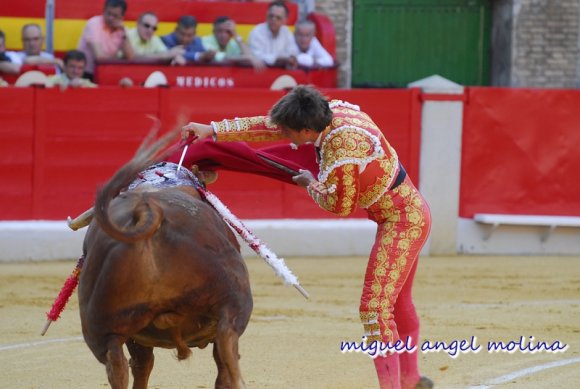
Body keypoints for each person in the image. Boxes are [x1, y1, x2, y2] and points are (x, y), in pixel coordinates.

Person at [181, 85, 434, 389]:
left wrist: (310, 184)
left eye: (290, 132)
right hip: (401, 211)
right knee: (397, 302)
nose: (286, 137)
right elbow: (270, 125)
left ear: (305, 130)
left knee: (375, 308)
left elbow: (340, 205)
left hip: (403, 219)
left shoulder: (343, 148)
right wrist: (212, 129)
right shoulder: (328, 112)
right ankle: (410, 379)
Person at [77, 0, 135, 80]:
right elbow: (100, 57)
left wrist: (124, 34)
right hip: (85, 74)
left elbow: (130, 57)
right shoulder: (94, 24)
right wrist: (118, 58)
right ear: (103, 10)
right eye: (108, 13)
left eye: (115, 16)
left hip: (107, 74)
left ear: (122, 17)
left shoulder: (122, 29)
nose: (110, 18)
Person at [248, 0, 298, 69]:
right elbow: (256, 56)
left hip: (281, 74)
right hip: (260, 73)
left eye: (278, 18)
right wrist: (277, 59)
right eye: (271, 16)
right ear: (266, 15)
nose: (273, 19)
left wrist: (288, 58)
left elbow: (293, 53)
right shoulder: (257, 32)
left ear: (285, 20)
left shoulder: (287, 32)